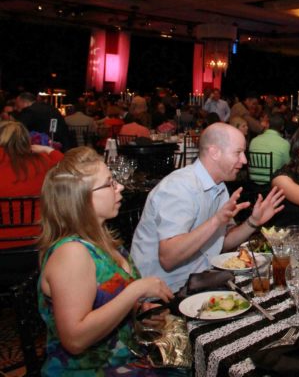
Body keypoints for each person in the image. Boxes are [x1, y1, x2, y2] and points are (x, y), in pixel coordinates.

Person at [37, 147, 174, 374]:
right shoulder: (72, 253)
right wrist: (137, 290)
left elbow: (106, 303)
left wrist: (140, 313)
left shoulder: (105, 241)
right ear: (81, 198)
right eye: (109, 183)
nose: (120, 187)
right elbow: (75, 339)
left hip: (127, 358)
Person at [130, 123, 285, 291]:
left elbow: (222, 243)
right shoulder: (180, 187)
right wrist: (216, 221)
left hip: (199, 282)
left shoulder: (219, 187)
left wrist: (253, 222)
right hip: (164, 292)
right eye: (238, 152)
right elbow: (168, 258)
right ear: (214, 152)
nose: (244, 160)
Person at [0, 121, 64, 250]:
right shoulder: (43, 161)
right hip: (38, 240)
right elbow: (67, 166)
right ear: (26, 140)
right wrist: (48, 150)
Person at [248, 113, 290, 185]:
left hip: (252, 179)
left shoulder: (254, 140)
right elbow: (287, 163)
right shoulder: (284, 143)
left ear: (268, 125)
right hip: (272, 181)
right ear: (282, 127)